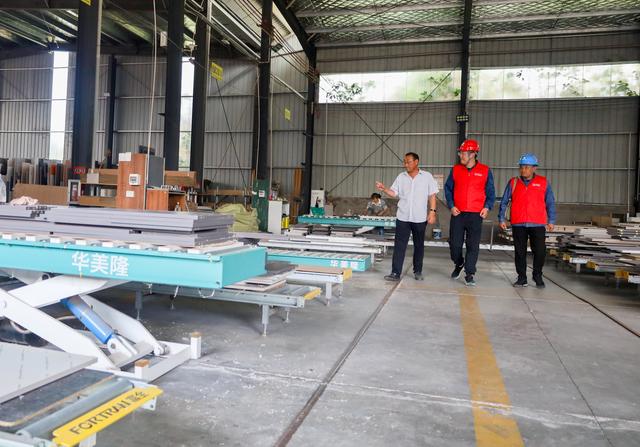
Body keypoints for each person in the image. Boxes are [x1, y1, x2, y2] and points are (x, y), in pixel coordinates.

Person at [375, 152, 439, 281]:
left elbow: (432, 195)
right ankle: (395, 273)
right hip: (403, 217)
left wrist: (432, 212)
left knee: (419, 245)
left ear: (416, 162)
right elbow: (394, 193)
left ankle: (418, 271)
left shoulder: (427, 176)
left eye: (408, 162)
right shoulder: (401, 177)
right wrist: (384, 189)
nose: (406, 164)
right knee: (399, 246)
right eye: (404, 162)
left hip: (419, 218)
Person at [498, 153, 556, 289]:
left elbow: (550, 202)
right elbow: (504, 201)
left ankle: (537, 275)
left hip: (538, 223)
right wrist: (501, 218)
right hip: (518, 223)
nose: (523, 170)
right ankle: (522, 278)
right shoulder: (513, 182)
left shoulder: (543, 182)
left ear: (534, 168)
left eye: (527, 167)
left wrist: (551, 220)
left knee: (540, 251)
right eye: (521, 167)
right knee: (520, 252)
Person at [444, 139, 495, 287]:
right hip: (458, 213)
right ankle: (459, 263)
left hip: (476, 214)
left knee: (473, 245)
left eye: (463, 153)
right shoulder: (455, 170)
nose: (461, 156)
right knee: (455, 244)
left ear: (473, 154)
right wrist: (451, 205)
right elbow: (448, 189)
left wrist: (487, 207)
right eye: (460, 153)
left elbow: (491, 192)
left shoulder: (485, 171)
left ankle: (469, 273)